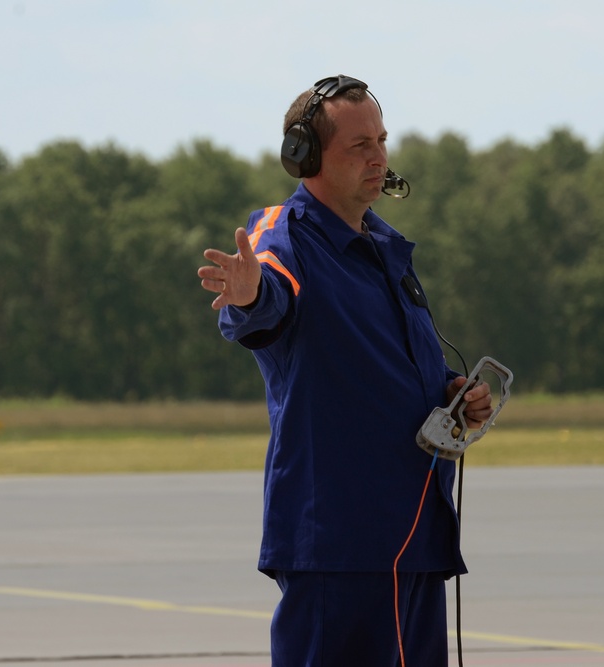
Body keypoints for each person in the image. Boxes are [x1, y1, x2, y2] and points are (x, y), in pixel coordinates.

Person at [197, 76, 494, 666]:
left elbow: (377, 368)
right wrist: (250, 295)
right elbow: (267, 303)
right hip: (341, 545)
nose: (380, 157)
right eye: (360, 146)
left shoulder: (385, 248)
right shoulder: (283, 237)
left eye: (382, 141)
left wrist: (451, 396)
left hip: (414, 539)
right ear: (304, 155)